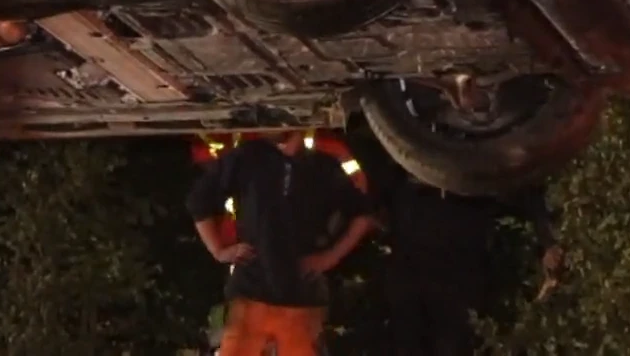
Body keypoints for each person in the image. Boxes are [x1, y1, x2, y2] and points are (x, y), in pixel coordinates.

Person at [188, 128, 380, 356]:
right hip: (252, 293)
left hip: (302, 300)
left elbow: (363, 214)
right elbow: (199, 201)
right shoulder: (248, 157)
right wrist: (218, 250)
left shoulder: (321, 166)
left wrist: (331, 256)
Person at [378, 174, 563, 356]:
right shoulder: (400, 168)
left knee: (453, 342)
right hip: (410, 271)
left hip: (460, 274)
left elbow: (524, 188)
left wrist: (548, 241)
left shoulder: (479, 161)